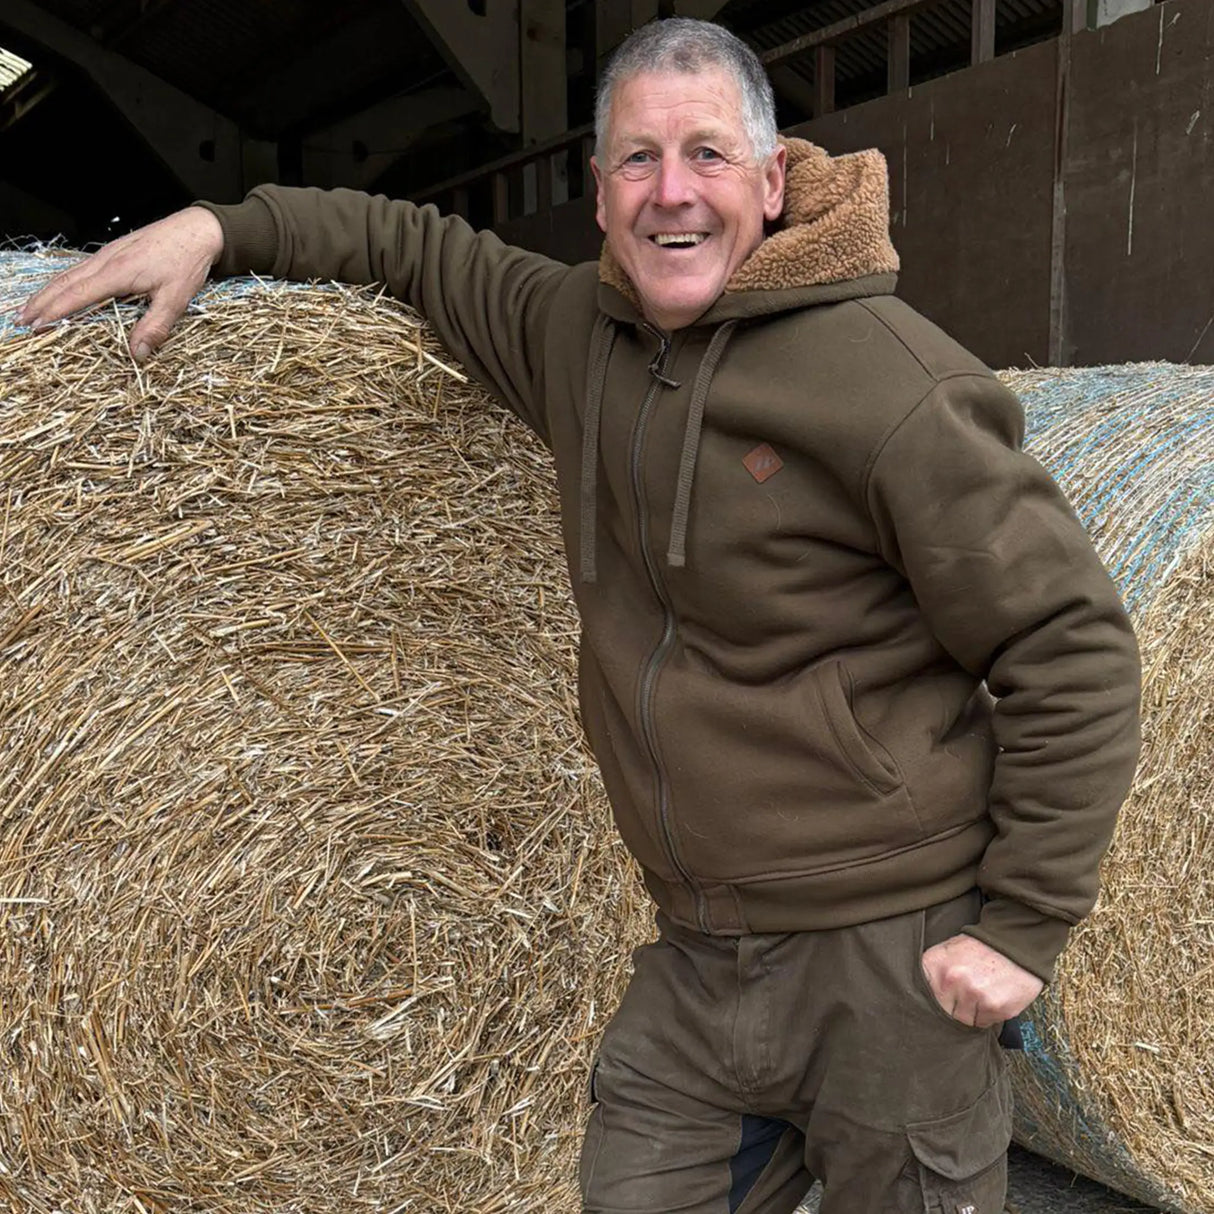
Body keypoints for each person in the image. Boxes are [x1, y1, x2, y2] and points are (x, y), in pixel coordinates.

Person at [20, 18, 1140, 1213]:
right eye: (636, 159)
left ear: (770, 181)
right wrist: (219, 225)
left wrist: (1019, 927)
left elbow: (1067, 643)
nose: (672, 192)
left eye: (707, 156)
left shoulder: (894, 385)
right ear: (596, 190)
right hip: (698, 952)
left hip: (881, 945)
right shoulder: (574, 334)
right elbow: (411, 245)